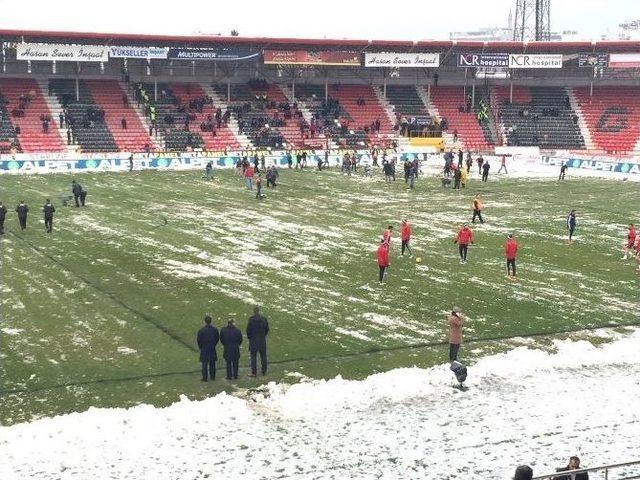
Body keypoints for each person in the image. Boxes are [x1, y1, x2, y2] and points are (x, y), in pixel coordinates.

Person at [246, 306, 269, 377]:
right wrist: (263, 336)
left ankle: (254, 372)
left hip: (253, 341)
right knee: (263, 356)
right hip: (262, 340)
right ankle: (264, 371)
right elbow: (267, 329)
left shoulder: (251, 320)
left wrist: (250, 338)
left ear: (254, 311)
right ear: (259, 311)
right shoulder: (264, 319)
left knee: (253, 357)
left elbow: (248, 331)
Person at [196, 315, 219, 382]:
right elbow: (217, 339)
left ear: (205, 321)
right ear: (210, 321)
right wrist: (213, 345)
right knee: (212, 364)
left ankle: (205, 378)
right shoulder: (215, 330)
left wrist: (201, 347)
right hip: (212, 348)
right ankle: (212, 377)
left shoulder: (201, 331)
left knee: (204, 364)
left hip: (204, 348)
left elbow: (199, 340)